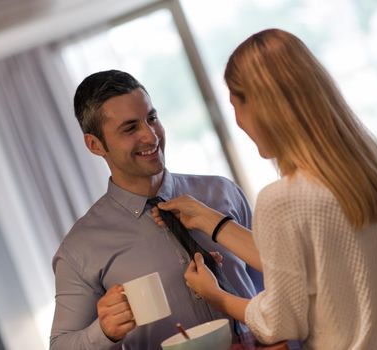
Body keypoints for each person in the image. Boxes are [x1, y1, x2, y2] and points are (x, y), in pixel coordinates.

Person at [152, 28, 377, 349]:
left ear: (262, 106)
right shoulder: (376, 170)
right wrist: (209, 220)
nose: (238, 121)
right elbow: (310, 267)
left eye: (236, 105)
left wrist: (217, 297)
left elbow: (281, 321)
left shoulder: (282, 199)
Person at [50, 69, 263, 349]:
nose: (151, 137)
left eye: (151, 118)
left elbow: (276, 288)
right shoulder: (80, 249)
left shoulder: (222, 193)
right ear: (95, 144)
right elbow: (61, 345)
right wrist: (104, 332)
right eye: (130, 128)